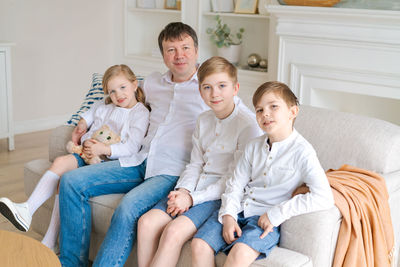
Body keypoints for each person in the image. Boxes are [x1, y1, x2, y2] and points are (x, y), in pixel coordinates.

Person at [58, 22, 209, 267]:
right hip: (137, 159)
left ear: (197, 50)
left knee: (127, 208)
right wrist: (83, 122)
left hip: (171, 171)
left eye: (185, 47)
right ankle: (71, 263)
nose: (179, 55)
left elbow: (241, 117)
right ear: (163, 56)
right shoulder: (151, 83)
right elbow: (118, 95)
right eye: (171, 50)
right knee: (71, 182)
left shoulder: (209, 87)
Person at [0, 64, 149, 252]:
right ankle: (27, 210)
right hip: (85, 154)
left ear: (135, 85)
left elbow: (132, 147)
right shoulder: (106, 106)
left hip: (105, 163)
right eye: (112, 91)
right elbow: (90, 113)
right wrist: (81, 125)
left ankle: (50, 241)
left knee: (65, 183)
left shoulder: (140, 113)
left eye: (122, 88)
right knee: (60, 162)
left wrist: (103, 148)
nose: (118, 95)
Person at [191, 81, 335, 267]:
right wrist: (228, 216)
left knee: (239, 254)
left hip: (264, 219)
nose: (265, 114)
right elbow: (235, 184)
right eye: (259, 110)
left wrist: (277, 214)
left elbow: (324, 197)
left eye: (273, 107)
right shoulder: (253, 146)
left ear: (293, 112)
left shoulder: (303, 152)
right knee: (199, 245)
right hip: (239, 209)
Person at [137, 56, 262, 267]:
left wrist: (192, 199)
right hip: (194, 188)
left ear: (235, 88)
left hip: (219, 195)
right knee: (146, 223)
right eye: (207, 87)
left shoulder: (248, 125)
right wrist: (184, 191)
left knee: (173, 232)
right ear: (200, 90)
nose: (215, 94)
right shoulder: (203, 120)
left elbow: (234, 180)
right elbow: (195, 164)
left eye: (222, 86)